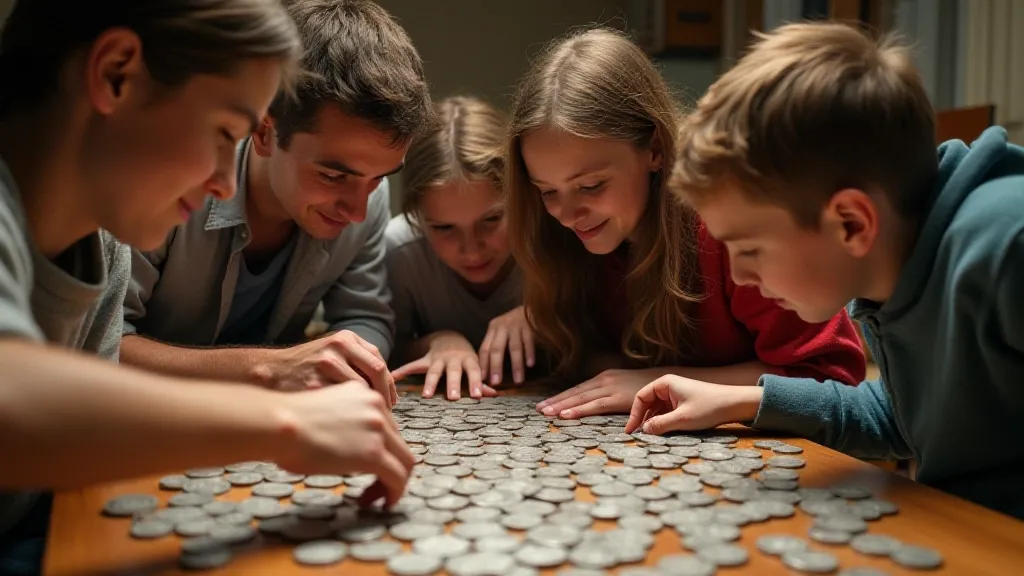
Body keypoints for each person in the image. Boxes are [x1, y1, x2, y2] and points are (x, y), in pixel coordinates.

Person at [0, 2, 413, 574]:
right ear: (116, 73)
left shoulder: (106, 243)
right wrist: (283, 423)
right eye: (225, 132)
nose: (224, 179)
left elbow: (103, 416)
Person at [630, 21, 1024, 520]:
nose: (740, 276)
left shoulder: (1008, 244)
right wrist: (743, 401)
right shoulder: (892, 262)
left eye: (749, 249)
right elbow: (905, 418)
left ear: (851, 222)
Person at [505, 28, 866, 420]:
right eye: (546, 191)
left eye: (591, 185)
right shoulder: (563, 238)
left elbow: (830, 380)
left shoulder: (731, 231)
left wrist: (659, 379)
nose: (567, 214)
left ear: (655, 149)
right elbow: (590, 361)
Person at [120, 0, 434, 403]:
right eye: (334, 175)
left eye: (379, 178)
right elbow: (98, 344)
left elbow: (364, 318)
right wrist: (267, 369)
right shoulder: (177, 180)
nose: (358, 211)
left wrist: (352, 370)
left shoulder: (368, 197)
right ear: (265, 130)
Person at [386, 96, 531, 400]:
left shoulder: (554, 238)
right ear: (417, 217)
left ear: (522, 198)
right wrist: (438, 341)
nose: (472, 250)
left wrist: (544, 317)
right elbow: (387, 348)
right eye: (444, 228)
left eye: (491, 219)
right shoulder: (400, 250)